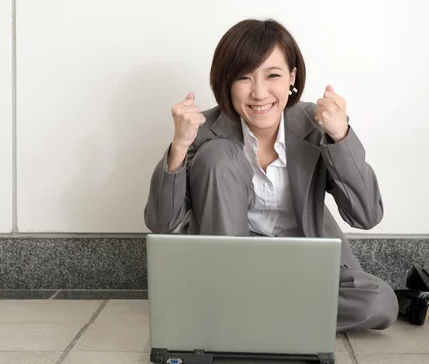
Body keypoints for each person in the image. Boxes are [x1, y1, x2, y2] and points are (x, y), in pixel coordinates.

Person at [144, 18, 399, 333]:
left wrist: (340, 135)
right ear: (227, 83)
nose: (260, 93)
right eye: (244, 78)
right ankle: (241, 304)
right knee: (218, 154)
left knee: (380, 302)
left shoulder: (315, 124)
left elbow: (367, 215)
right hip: (228, 271)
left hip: (304, 266)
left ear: (292, 77)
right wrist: (179, 145)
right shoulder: (202, 131)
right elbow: (160, 223)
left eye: (273, 75)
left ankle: (240, 314)